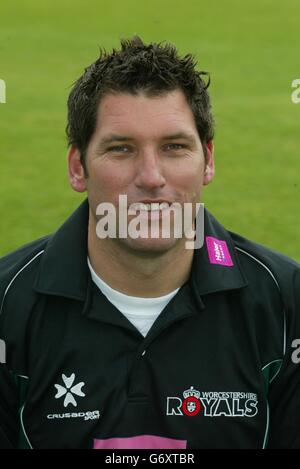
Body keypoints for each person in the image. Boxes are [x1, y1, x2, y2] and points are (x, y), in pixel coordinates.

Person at [0, 36, 299, 450]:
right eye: (121, 149)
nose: (151, 177)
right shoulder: (5, 304)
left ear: (208, 160)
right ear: (77, 168)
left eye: (174, 147)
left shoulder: (287, 302)